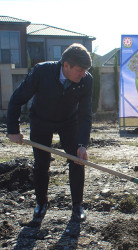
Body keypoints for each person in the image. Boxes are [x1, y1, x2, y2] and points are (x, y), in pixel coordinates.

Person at [6, 43, 93, 223]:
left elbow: (85, 114)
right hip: (41, 121)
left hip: (69, 122)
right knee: (41, 164)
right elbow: (17, 99)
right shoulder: (42, 72)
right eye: (80, 70)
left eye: (85, 70)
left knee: (77, 160)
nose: (83, 74)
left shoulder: (86, 80)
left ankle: (77, 205)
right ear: (66, 65)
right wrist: (13, 130)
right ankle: (41, 203)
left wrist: (83, 144)